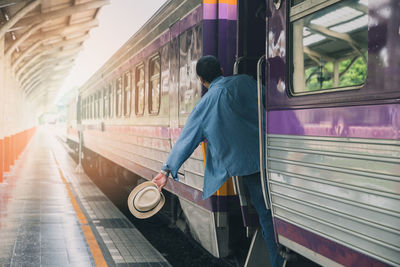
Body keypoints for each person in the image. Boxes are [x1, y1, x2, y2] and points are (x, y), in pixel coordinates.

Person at [152, 55, 284, 267]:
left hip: (251, 166)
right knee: (278, 212)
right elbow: (272, 102)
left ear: (201, 80)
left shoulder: (205, 104)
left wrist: (166, 171)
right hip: (276, 155)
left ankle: (278, 262)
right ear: (222, 69)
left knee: (266, 216)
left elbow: (186, 140)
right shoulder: (246, 82)